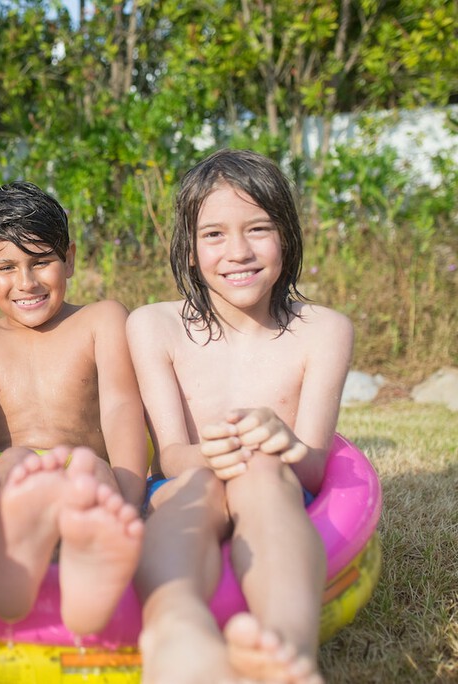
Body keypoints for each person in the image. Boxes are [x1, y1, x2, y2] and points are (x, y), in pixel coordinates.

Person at [127, 149, 353, 683]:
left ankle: (284, 649)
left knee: (262, 473)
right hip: (188, 481)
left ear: (288, 238)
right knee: (197, 487)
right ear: (187, 249)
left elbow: (316, 470)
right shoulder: (154, 326)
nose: (239, 252)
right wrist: (210, 456)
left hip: (277, 486)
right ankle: (175, 632)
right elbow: (172, 454)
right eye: (213, 235)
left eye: (258, 229)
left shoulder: (324, 331)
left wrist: (282, 441)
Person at [0, 181, 147, 635]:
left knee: (85, 472)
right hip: (8, 476)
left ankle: (88, 547)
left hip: (84, 470)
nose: (27, 283)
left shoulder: (100, 320)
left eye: (41, 262)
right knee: (15, 464)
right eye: (6, 268)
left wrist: (131, 498)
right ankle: (24, 549)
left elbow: (121, 408)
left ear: (70, 259)